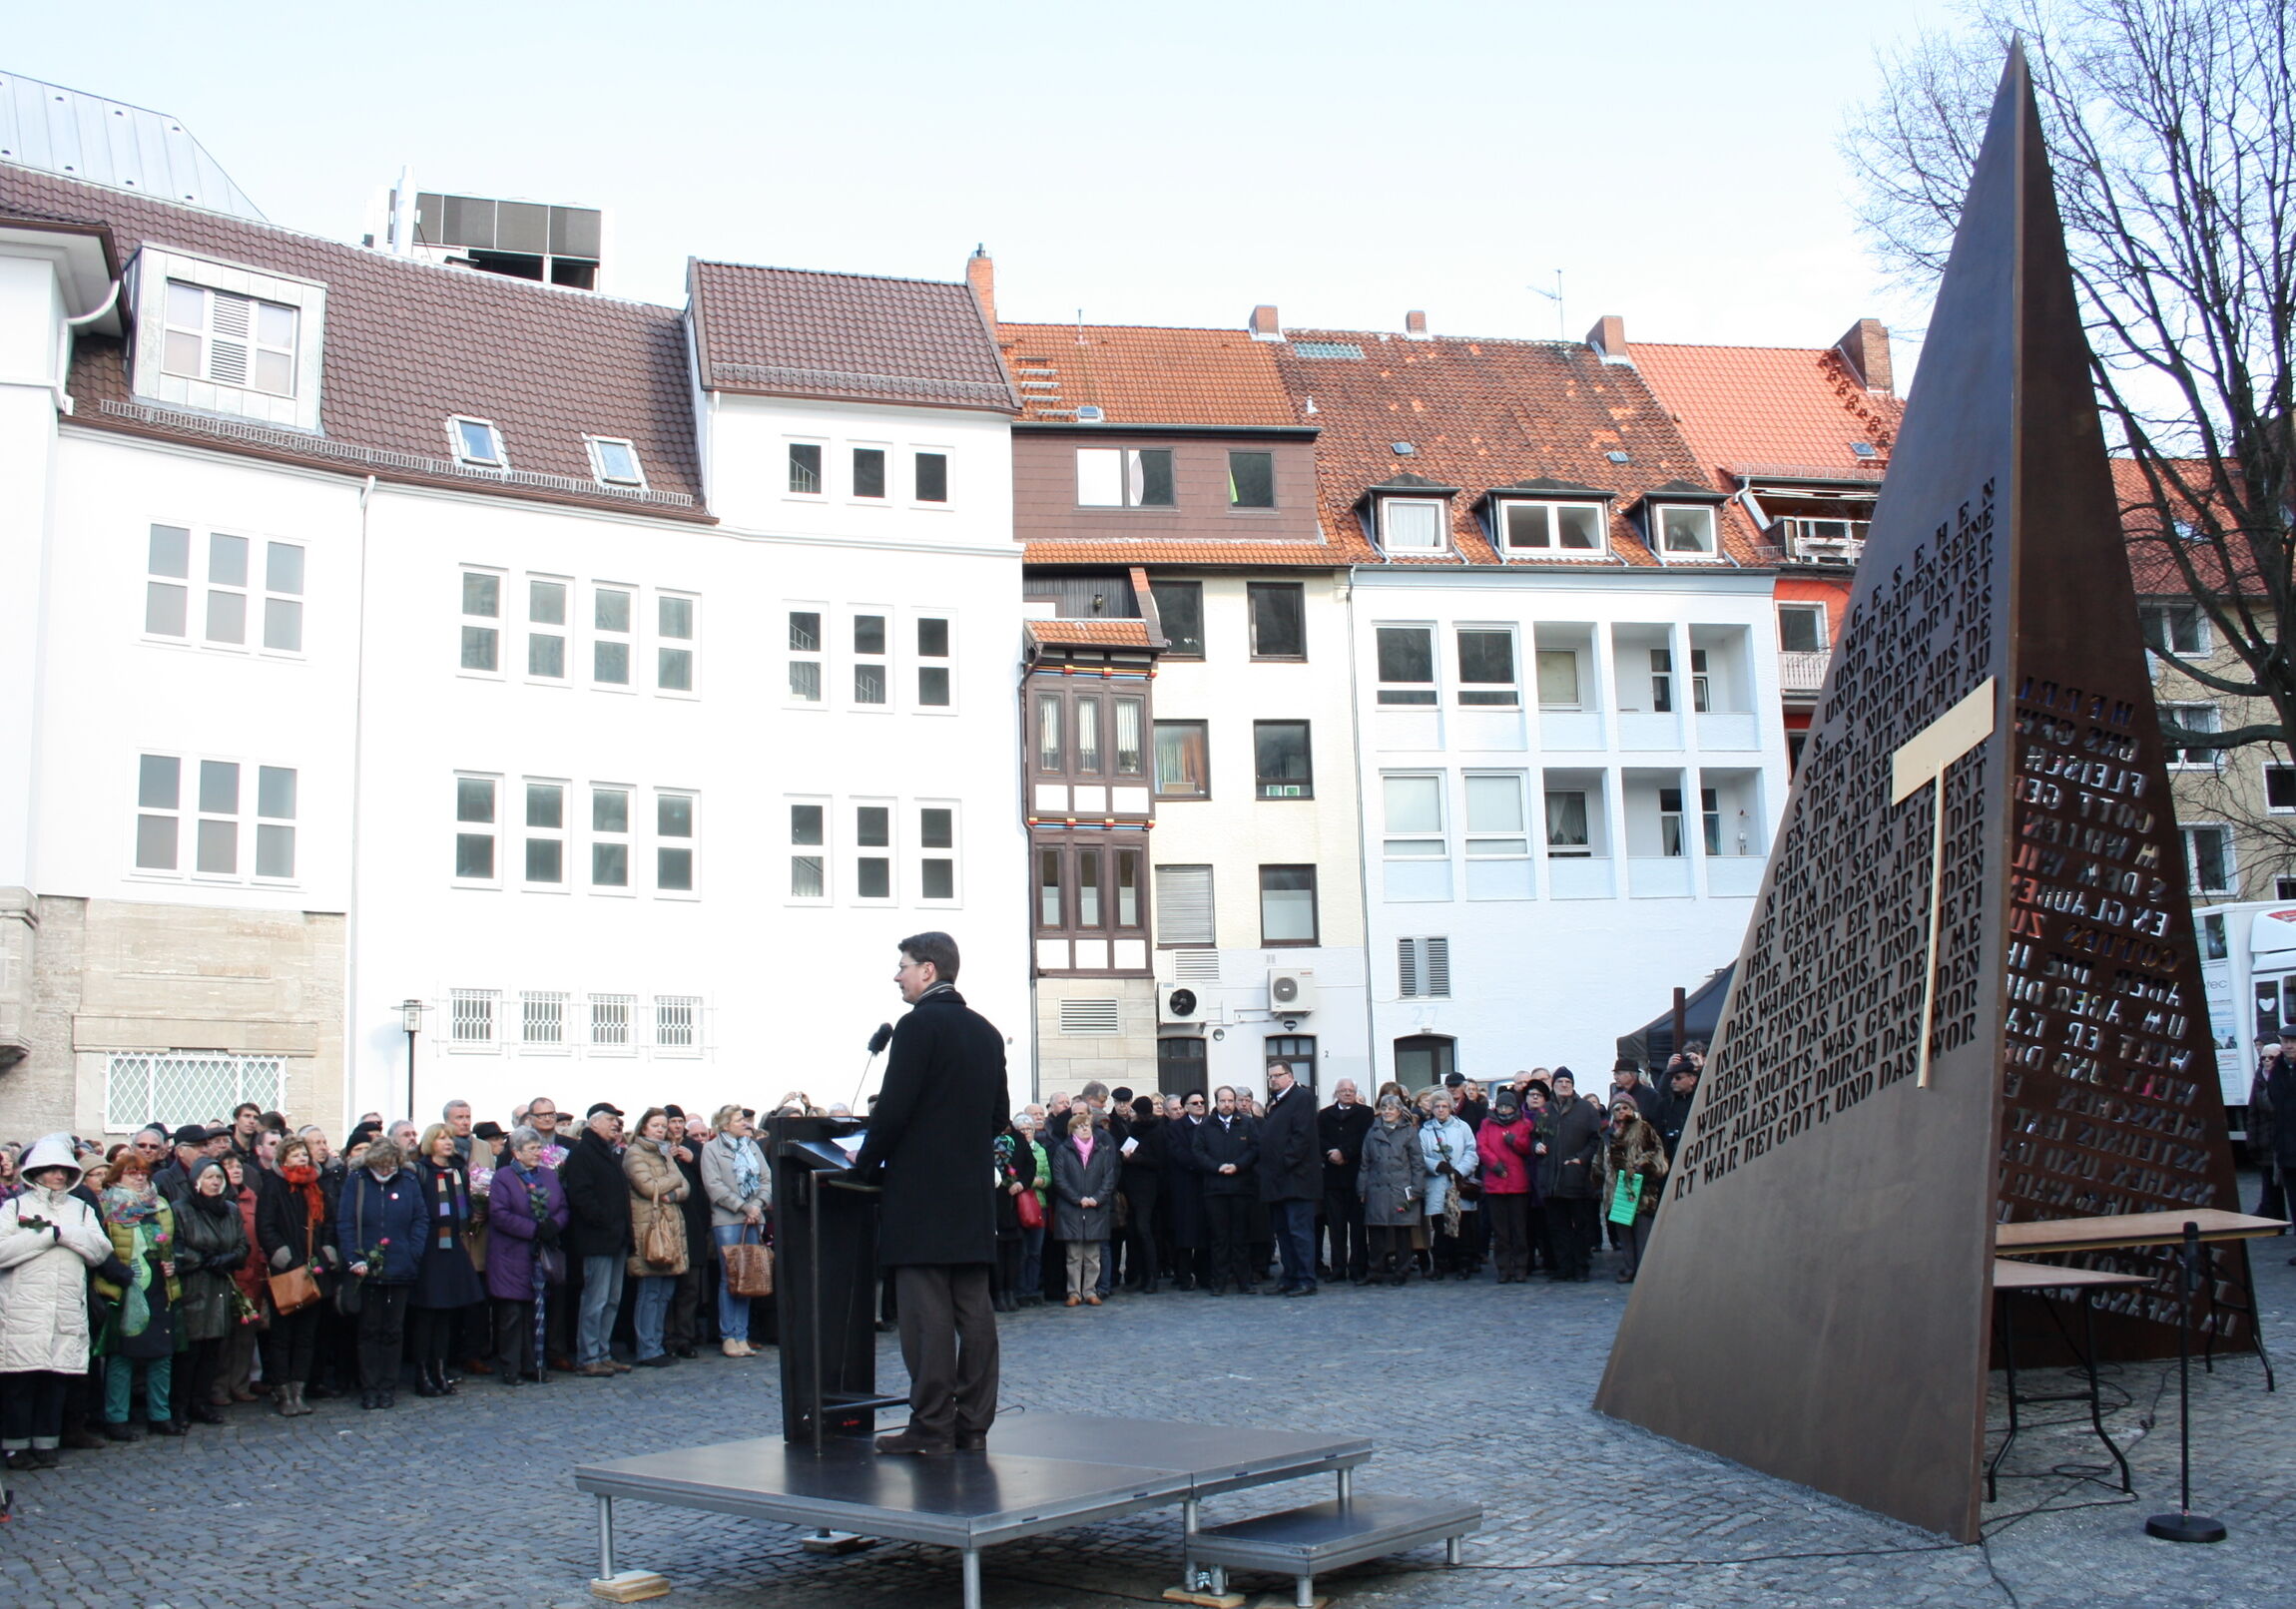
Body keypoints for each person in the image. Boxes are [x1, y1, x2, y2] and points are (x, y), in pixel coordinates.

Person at [851, 931, 1007, 1456]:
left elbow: (893, 1109)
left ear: (929, 970)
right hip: (970, 1195)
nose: (897, 976)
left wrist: (865, 1162)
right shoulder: (986, 1032)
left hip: (920, 1196)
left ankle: (932, 1426)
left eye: (903, 966)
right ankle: (974, 1424)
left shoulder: (918, 1027)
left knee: (926, 1318)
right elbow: (998, 1118)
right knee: (975, 1314)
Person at [0, 1137, 113, 1469]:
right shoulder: (15, 1208)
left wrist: (63, 1233)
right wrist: (46, 1236)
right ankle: (16, 1446)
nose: (58, 1177)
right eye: (51, 1171)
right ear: (37, 1173)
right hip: (23, 1309)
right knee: (21, 1382)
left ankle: (47, 1442)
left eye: (63, 1171)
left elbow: (99, 1251)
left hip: (65, 1307)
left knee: (55, 1380)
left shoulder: (80, 1209)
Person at [94, 1155, 181, 1438]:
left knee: (162, 1355)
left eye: (143, 1173)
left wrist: (172, 1261)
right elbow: (101, 1249)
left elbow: (173, 1242)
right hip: (124, 1284)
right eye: (132, 1173)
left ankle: (160, 1414)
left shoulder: (160, 1205)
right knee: (122, 1356)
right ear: (117, 1177)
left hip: (159, 1284)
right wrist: (118, 1274)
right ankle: (116, 1418)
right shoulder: (107, 1207)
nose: (140, 1178)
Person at [338, 1138, 426, 1409]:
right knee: (369, 1330)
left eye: (391, 1166)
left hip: (400, 1266)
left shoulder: (408, 1183)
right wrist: (354, 1258)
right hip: (367, 1268)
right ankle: (370, 1386)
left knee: (393, 1329)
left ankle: (388, 1386)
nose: (387, 1171)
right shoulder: (358, 1181)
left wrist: (413, 1252)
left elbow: (420, 1219)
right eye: (382, 1166)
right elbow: (346, 1222)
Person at [485, 1126, 567, 1385]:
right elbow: (499, 1214)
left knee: (537, 1311)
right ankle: (511, 1366)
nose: (537, 1153)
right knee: (512, 1314)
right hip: (511, 1254)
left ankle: (534, 1364)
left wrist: (554, 1224)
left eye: (539, 1148)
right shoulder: (504, 1177)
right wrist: (533, 1229)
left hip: (540, 1254)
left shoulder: (549, 1175)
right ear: (516, 1153)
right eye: (531, 1149)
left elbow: (563, 1205)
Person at [255, 1135, 330, 1415]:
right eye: (296, 1153)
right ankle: (282, 1389)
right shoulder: (273, 1186)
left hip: (314, 1268)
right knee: (283, 1335)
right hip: (286, 1270)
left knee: (307, 1335)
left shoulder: (315, 1186)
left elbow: (327, 1222)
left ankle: (299, 1389)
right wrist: (286, 1258)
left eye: (304, 1154)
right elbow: (266, 1227)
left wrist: (326, 1254)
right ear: (284, 1158)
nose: (302, 1158)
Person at [407, 1124, 485, 1396]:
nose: (448, 1142)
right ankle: (422, 1372)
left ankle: (440, 1369)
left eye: (449, 1138)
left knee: (446, 1315)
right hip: (429, 1249)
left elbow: (462, 1209)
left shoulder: (458, 1171)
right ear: (431, 1143)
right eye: (442, 1138)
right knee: (427, 1315)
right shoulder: (420, 1172)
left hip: (452, 1245)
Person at [173, 1159, 248, 1423]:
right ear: (196, 1181)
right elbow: (177, 1247)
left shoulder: (230, 1210)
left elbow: (242, 1244)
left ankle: (201, 1402)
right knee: (189, 1352)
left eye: (219, 1177)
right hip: (194, 1286)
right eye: (209, 1177)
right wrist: (202, 1260)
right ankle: (180, 1406)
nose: (215, 1182)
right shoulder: (181, 1210)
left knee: (212, 1350)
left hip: (220, 1285)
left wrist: (228, 1259)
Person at [561, 1103, 632, 1377]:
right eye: (611, 1120)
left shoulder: (609, 1152)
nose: (616, 1125)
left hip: (616, 1238)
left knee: (612, 1300)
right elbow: (581, 1196)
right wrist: (604, 1221)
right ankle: (589, 1356)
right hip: (598, 1238)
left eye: (618, 1121)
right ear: (594, 1123)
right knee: (596, 1299)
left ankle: (603, 1352)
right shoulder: (583, 1153)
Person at [622, 1107, 690, 1368]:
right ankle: (647, 1347)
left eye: (663, 1126)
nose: (661, 1130)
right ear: (643, 1128)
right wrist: (672, 1178)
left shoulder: (664, 1153)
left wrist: (671, 1194)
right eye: (656, 1126)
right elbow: (648, 1187)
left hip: (669, 1225)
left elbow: (686, 1187)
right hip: (650, 1228)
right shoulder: (635, 1153)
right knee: (650, 1291)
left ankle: (657, 1343)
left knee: (665, 1292)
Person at [700, 1106, 769, 1356]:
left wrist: (758, 1205)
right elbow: (714, 1186)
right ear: (725, 1124)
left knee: (749, 1275)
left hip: (753, 1217)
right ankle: (729, 1335)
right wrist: (743, 1206)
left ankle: (742, 1334)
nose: (745, 1123)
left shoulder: (751, 1146)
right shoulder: (711, 1149)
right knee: (731, 1277)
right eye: (739, 1120)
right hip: (728, 1219)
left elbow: (766, 1178)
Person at [1257, 1060, 1323, 1297]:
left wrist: (1284, 1163)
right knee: (1283, 1232)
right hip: (1276, 1181)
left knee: (1300, 1232)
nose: (1273, 1079)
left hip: (1296, 1179)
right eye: (1270, 1076)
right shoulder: (1275, 1101)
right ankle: (1290, 1276)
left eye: (1278, 1075)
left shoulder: (1301, 1097)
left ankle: (1306, 1278)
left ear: (1290, 1076)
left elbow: (1301, 1136)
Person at [1050, 1100, 1119, 1307]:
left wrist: (1096, 1198)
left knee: (1093, 1256)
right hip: (1072, 1209)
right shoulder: (1064, 1150)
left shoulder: (1101, 1150)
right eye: (1080, 1126)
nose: (1084, 1129)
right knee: (1073, 1256)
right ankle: (1074, 1292)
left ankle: (1090, 1290)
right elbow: (1059, 1179)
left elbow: (1109, 1177)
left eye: (1087, 1126)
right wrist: (1077, 1198)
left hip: (1095, 1209)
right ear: (1072, 1130)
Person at [1193, 1087, 1259, 1296]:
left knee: (1241, 1237)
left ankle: (1243, 1281)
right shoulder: (1205, 1126)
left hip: (1241, 1188)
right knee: (1219, 1238)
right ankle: (1219, 1282)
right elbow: (1198, 1152)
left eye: (1231, 1100)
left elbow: (1255, 1149)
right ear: (1216, 1102)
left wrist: (1237, 1166)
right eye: (1223, 1101)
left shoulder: (1247, 1124)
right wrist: (1216, 1167)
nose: (1227, 1104)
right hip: (1215, 1189)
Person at [1539, 1071, 1604, 1282]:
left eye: (1568, 1082)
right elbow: (1533, 1136)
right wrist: (1535, 1145)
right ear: (1553, 1084)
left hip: (1577, 1178)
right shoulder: (1544, 1109)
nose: (1564, 1085)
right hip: (1551, 1178)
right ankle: (1563, 1268)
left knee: (1581, 1227)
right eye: (1560, 1081)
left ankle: (1581, 1267)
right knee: (1558, 1228)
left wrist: (1581, 1159)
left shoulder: (1586, 1110)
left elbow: (1596, 1140)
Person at [1599, 1097, 1670, 1281]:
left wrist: (1641, 1166)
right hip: (1617, 1190)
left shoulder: (1644, 1128)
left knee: (1642, 1233)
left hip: (1641, 1188)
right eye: (1617, 1108)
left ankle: (1645, 1273)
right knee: (1625, 1234)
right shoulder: (1607, 1133)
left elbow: (1657, 1153)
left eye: (1625, 1107)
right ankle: (1630, 1268)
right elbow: (1600, 1160)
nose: (1622, 1111)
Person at [661, 1107, 712, 1358]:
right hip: (668, 1224)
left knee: (691, 1287)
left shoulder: (696, 1148)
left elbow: (712, 1178)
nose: (677, 1126)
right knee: (669, 1286)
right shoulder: (659, 1148)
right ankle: (668, 1338)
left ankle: (685, 1337)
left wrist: (694, 1159)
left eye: (681, 1121)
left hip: (695, 1223)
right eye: (673, 1121)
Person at [1358, 1094, 1422, 1286]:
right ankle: (1375, 1271)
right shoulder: (1372, 1132)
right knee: (1376, 1232)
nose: (1387, 1112)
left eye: (1391, 1108)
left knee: (1403, 1232)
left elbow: (1417, 1163)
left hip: (1401, 1188)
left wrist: (1417, 1189)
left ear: (1399, 1111)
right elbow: (1365, 1163)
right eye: (1384, 1108)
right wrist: (1361, 1190)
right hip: (1376, 1188)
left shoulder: (1409, 1132)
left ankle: (1402, 1271)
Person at [1477, 1090, 1539, 1283]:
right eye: (1501, 1107)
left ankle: (1520, 1266)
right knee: (1500, 1231)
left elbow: (1528, 1147)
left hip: (1517, 1184)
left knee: (1519, 1229)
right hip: (1495, 1183)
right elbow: (1482, 1147)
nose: (1504, 1110)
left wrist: (1515, 1141)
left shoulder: (1524, 1124)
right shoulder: (1487, 1124)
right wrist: (1494, 1165)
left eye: (1508, 1107)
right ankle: (1503, 1268)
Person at [1419, 1090, 1478, 1279]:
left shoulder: (1463, 1128)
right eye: (1437, 1106)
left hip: (1458, 1183)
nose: (1441, 1110)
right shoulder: (1425, 1131)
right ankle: (1441, 1263)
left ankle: (1464, 1263)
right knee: (1440, 1227)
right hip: (1437, 1184)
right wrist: (1437, 1165)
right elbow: (1420, 1156)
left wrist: (1460, 1170)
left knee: (1463, 1227)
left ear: (1451, 1107)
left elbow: (1472, 1151)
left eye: (1445, 1106)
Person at [1318, 1080, 1373, 1286]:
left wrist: (1345, 1153)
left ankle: (1358, 1267)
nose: (1347, 1093)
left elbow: (1364, 1139)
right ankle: (1338, 1267)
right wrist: (1331, 1153)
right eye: (1343, 1090)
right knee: (1336, 1227)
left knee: (1358, 1228)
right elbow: (1319, 1138)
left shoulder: (1366, 1113)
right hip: (1332, 1178)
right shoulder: (1324, 1115)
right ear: (1336, 1093)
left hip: (1356, 1176)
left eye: (1351, 1090)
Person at [1117, 1097, 1164, 1294]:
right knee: (1134, 1233)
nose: (1130, 1114)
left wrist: (1134, 1159)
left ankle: (1152, 1276)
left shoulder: (1156, 1131)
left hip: (1147, 1189)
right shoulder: (1134, 1129)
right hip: (1131, 1187)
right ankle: (1138, 1275)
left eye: (1134, 1111)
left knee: (1144, 1231)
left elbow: (1158, 1160)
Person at [1009, 1113, 1049, 1307]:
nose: (1026, 1132)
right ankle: (1021, 1289)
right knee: (1022, 1252)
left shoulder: (1041, 1151)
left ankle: (1033, 1289)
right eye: (1022, 1129)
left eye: (1029, 1129)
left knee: (1036, 1252)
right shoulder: (1011, 1150)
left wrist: (1038, 1181)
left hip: (1039, 1205)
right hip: (1019, 1206)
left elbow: (1048, 1177)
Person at [1653, 1055, 1700, 1163]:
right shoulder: (1664, 1105)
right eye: (1672, 1078)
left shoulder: (1700, 1101)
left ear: (1692, 1079)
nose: (1673, 1081)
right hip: (1670, 1160)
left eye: (1678, 1078)